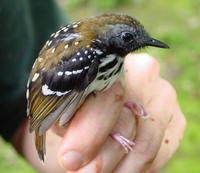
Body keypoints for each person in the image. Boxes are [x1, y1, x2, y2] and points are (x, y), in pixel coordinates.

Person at [0, 1, 186, 173]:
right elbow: (52, 103)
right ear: (107, 38)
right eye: (128, 38)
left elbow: (15, 110)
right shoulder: (87, 55)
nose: (138, 43)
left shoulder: (107, 56)